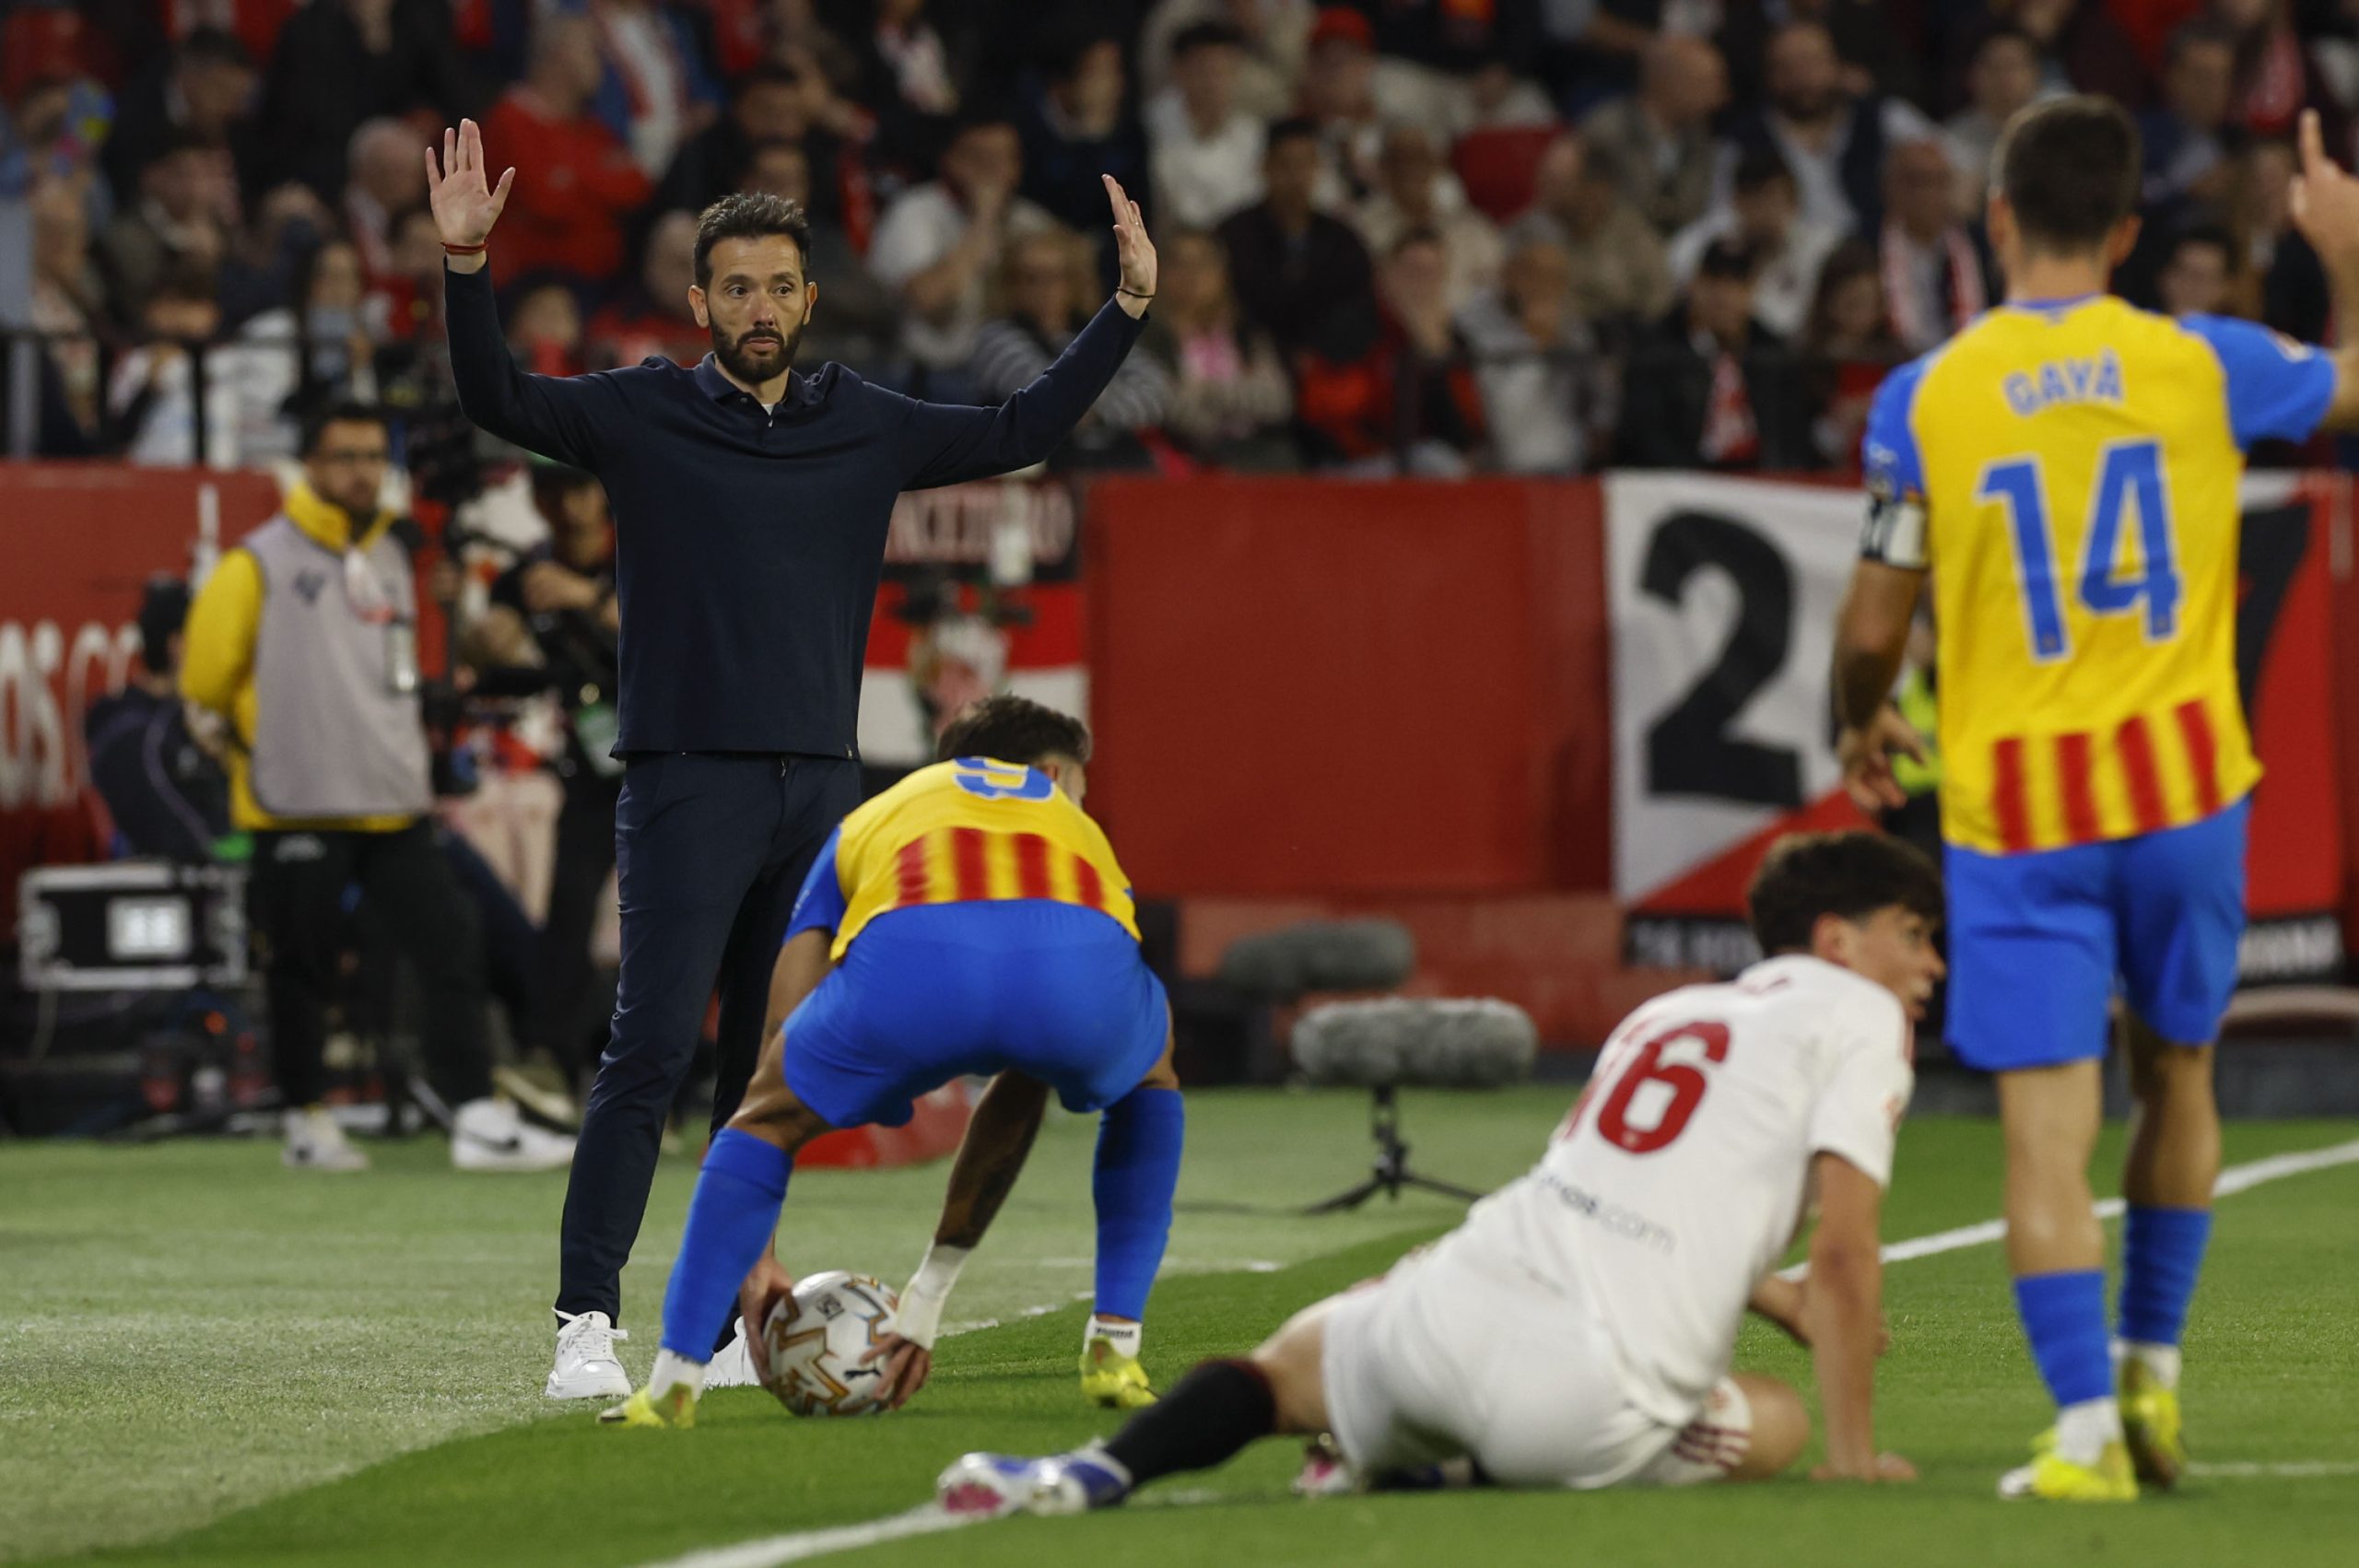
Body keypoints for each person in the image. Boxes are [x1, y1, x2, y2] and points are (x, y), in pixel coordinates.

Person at [426, 116, 1160, 1400]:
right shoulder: (642, 410)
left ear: (810, 300)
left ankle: (716, 1324)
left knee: (764, 1071)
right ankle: (585, 1323)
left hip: (822, 790)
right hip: (686, 777)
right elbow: (498, 400)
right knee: (649, 1049)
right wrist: (467, 267)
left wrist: (1127, 310)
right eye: (736, 289)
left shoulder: (863, 419)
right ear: (698, 302)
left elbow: (1023, 425)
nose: (759, 309)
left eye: (778, 287)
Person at [1831, 100, 2359, 1502]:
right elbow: (2355, 384)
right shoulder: (2205, 361)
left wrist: (1859, 714)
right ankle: (2151, 1374)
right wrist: (2346, 258)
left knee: (2045, 1125)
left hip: (2022, 818)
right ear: (2127, 234)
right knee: (2179, 1072)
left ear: (1997, 216)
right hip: (2186, 795)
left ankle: (2083, 1437)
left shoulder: (1924, 397)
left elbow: (1877, 617)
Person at [938, 829, 1939, 1516]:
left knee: (1281, 1374)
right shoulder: (1862, 1013)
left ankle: (1088, 1473)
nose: (1930, 964)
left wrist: (1776, 1296)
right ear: (1836, 940)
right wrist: (1852, 1454)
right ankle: (1450, 1471)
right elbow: (1845, 1250)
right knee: (1773, 1420)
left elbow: (1626, 1186)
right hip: (1584, 1395)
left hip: (1456, 1299)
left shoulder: (1670, 1012)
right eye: (1912, 934)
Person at [599, 696, 1183, 1429]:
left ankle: (674, 1380)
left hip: (912, 967)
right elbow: (1048, 1024)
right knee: (1151, 1085)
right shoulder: (1079, 828)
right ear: (1055, 773)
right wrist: (927, 1294)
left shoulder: (883, 811)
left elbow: (787, 1003)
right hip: (1076, 981)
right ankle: (1116, 1347)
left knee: (764, 1123)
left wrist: (771, 1121)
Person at [178, 401, 577, 1176]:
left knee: (453, 946)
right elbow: (204, 682)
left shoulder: (400, 556)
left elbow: (419, 669)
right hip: (297, 801)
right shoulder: (255, 563)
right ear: (310, 466)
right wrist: (264, 747)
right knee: (303, 968)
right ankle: (305, 1118)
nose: (361, 472)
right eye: (344, 457)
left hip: (392, 799)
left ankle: (475, 1114)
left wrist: (448, 606)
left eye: (372, 456)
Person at [1617, 238, 1814, 472]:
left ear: (1752, 291)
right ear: (1693, 284)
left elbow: (1791, 439)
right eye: (1713, 280)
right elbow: (1645, 438)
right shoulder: (1654, 351)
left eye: (1736, 283)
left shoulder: (1774, 355)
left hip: (1760, 482)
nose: (1723, 295)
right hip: (1681, 482)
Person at [85, 577, 232, 862]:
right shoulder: (131, 733)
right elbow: (172, 836)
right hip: (165, 880)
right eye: (205, 638)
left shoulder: (190, 719)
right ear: (177, 645)